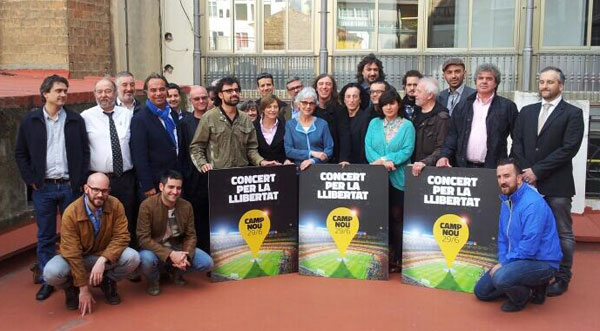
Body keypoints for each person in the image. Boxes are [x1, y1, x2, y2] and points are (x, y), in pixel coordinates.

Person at [15, 74, 90, 301]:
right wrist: (31, 179)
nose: (63, 94)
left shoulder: (75, 120)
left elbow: (85, 152)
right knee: (46, 235)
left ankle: (74, 278)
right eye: (58, 90)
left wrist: (78, 180)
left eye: (65, 90)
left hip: (69, 186)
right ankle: (49, 279)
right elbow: (20, 153)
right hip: (43, 188)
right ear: (45, 93)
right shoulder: (31, 121)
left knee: (73, 235)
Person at [511, 66, 584, 297]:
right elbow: (517, 142)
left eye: (550, 82)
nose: (544, 86)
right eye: (541, 81)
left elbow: (568, 149)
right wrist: (524, 171)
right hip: (526, 183)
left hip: (557, 185)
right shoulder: (527, 111)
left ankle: (562, 277)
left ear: (560, 85)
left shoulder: (572, 113)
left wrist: (537, 171)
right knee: (527, 230)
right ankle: (532, 274)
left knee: (563, 232)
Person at [43, 173, 140, 315]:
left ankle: (107, 281)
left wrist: (103, 260)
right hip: (77, 258)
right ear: (86, 188)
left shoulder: (115, 205)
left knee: (133, 257)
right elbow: (72, 254)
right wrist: (83, 288)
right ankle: (71, 288)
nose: (100, 195)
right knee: (51, 273)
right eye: (96, 190)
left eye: (104, 191)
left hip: (101, 255)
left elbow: (122, 237)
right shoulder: (71, 212)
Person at [474, 159, 562, 312]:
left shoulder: (532, 204)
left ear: (519, 178)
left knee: (501, 278)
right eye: (499, 177)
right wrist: (503, 260)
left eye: (507, 176)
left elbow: (530, 246)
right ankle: (529, 286)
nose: (502, 181)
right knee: (481, 292)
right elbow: (502, 237)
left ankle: (523, 296)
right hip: (518, 260)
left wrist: (503, 265)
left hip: (541, 261)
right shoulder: (506, 200)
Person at [81, 77, 137, 250]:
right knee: (99, 221)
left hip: (125, 178)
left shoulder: (128, 115)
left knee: (126, 219)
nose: (104, 95)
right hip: (98, 180)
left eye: (108, 91)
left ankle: (128, 260)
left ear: (115, 93)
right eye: (99, 92)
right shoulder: (86, 117)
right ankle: (101, 259)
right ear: (94, 94)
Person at [137, 170, 213, 296]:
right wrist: (170, 254)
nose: (175, 191)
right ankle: (154, 279)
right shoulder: (147, 206)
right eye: (171, 187)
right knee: (146, 260)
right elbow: (143, 239)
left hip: (178, 246)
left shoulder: (186, 206)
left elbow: (191, 235)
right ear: (161, 187)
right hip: (155, 248)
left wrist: (185, 256)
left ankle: (176, 271)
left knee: (207, 263)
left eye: (178, 188)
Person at [365, 89, 415, 271]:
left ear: (398, 104)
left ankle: (398, 258)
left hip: (398, 178)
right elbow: (368, 147)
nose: (388, 107)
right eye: (385, 104)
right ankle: (379, 258)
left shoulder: (407, 125)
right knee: (378, 216)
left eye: (392, 103)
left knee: (397, 217)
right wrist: (379, 162)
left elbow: (407, 150)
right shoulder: (374, 123)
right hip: (377, 178)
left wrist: (386, 160)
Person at [189, 76, 279, 173]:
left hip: (241, 176)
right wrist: (203, 164)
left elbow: (251, 149)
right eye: (229, 91)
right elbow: (196, 147)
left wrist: (261, 161)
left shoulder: (245, 118)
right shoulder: (209, 117)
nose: (234, 93)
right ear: (220, 95)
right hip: (217, 175)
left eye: (236, 90)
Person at [437, 63, 518, 169]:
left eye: (489, 78)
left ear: (495, 83)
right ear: (476, 82)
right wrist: (444, 156)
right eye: (480, 78)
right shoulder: (463, 105)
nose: (484, 81)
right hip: (464, 167)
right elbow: (452, 135)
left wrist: (511, 162)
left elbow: (517, 138)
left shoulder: (507, 106)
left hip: (494, 169)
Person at [130, 73, 181, 198]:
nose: (158, 93)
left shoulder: (173, 115)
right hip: (155, 184)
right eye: (153, 90)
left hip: (176, 180)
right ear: (146, 92)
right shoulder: (140, 119)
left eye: (162, 89)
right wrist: (147, 185)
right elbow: (139, 155)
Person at [177, 85, 211, 252]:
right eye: (197, 99)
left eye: (204, 98)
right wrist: (185, 178)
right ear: (190, 102)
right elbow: (182, 153)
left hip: (216, 178)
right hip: (194, 181)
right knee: (196, 219)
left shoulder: (217, 119)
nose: (201, 101)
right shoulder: (184, 124)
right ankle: (198, 253)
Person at [284, 87, 334, 171]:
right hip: (298, 170)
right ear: (298, 104)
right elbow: (288, 151)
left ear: (315, 105)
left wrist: (313, 160)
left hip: (319, 170)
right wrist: (311, 153)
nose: (308, 106)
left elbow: (329, 150)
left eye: (311, 103)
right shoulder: (290, 124)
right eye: (304, 103)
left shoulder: (322, 124)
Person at [411, 77, 450, 176]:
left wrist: (425, 162)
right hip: (413, 168)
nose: (415, 94)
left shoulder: (442, 117)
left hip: (430, 171)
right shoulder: (415, 113)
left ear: (430, 95)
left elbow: (442, 148)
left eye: (419, 91)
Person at [312, 73, 351, 164]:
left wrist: (344, 159)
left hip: (335, 159)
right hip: (314, 159)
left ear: (333, 88)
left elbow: (344, 136)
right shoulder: (311, 109)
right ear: (316, 88)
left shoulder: (340, 110)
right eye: (321, 84)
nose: (324, 87)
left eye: (328, 84)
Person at [255, 94, 291, 164]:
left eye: (275, 107)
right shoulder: (253, 126)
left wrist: (286, 160)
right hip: (258, 169)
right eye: (269, 107)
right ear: (263, 109)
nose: (272, 110)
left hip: (280, 167)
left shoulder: (285, 126)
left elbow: (287, 149)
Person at [339, 82, 370, 164]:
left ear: (360, 99)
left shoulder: (366, 118)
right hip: (342, 163)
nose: (351, 100)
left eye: (355, 96)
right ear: (344, 100)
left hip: (360, 164)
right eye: (348, 97)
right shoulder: (339, 116)